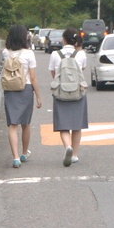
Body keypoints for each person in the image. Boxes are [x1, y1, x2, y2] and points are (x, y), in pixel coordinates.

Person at [3, 25, 42, 168]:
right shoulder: (28, 54)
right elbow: (33, 77)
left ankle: (15, 157)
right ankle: (24, 153)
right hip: (25, 89)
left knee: (13, 125)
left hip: (10, 89)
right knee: (25, 124)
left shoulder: (5, 53)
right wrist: (38, 96)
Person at [48, 27, 88, 166]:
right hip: (78, 93)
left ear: (63, 40)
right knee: (77, 125)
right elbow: (81, 72)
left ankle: (67, 147)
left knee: (63, 124)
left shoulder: (55, 54)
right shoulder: (81, 54)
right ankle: (75, 155)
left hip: (61, 93)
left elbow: (54, 74)